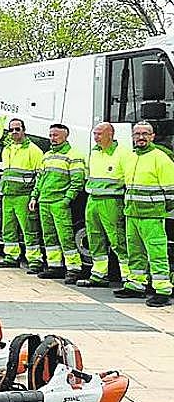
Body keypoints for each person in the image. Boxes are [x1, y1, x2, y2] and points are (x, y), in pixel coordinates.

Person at [116, 121, 174, 307]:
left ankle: (162, 290)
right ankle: (136, 284)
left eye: (145, 134)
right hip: (132, 213)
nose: (140, 137)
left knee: (156, 252)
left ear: (152, 136)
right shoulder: (131, 157)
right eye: (137, 134)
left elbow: (171, 190)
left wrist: (161, 208)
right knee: (135, 252)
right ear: (133, 137)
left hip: (152, 215)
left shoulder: (160, 157)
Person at [29, 123, 86, 282]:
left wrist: (66, 200)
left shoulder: (74, 155)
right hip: (45, 202)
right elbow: (40, 179)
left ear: (65, 136)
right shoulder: (46, 156)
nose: (52, 138)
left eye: (56, 135)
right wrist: (34, 197)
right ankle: (55, 266)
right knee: (49, 237)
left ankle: (74, 269)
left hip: (59, 203)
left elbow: (77, 182)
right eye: (51, 135)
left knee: (65, 237)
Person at [80, 122, 130, 288]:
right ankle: (98, 275)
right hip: (93, 199)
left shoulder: (123, 153)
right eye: (95, 133)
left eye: (100, 134)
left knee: (117, 239)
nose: (96, 137)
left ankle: (128, 277)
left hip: (112, 200)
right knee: (94, 237)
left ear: (111, 134)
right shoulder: (94, 153)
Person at [0, 118, 45, 273]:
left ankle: (35, 260)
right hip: (8, 195)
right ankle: (11, 256)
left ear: (24, 130)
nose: (14, 132)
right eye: (11, 130)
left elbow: (40, 176)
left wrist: (34, 197)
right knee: (8, 228)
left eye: (17, 129)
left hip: (24, 195)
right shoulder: (7, 149)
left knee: (29, 229)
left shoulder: (33, 150)